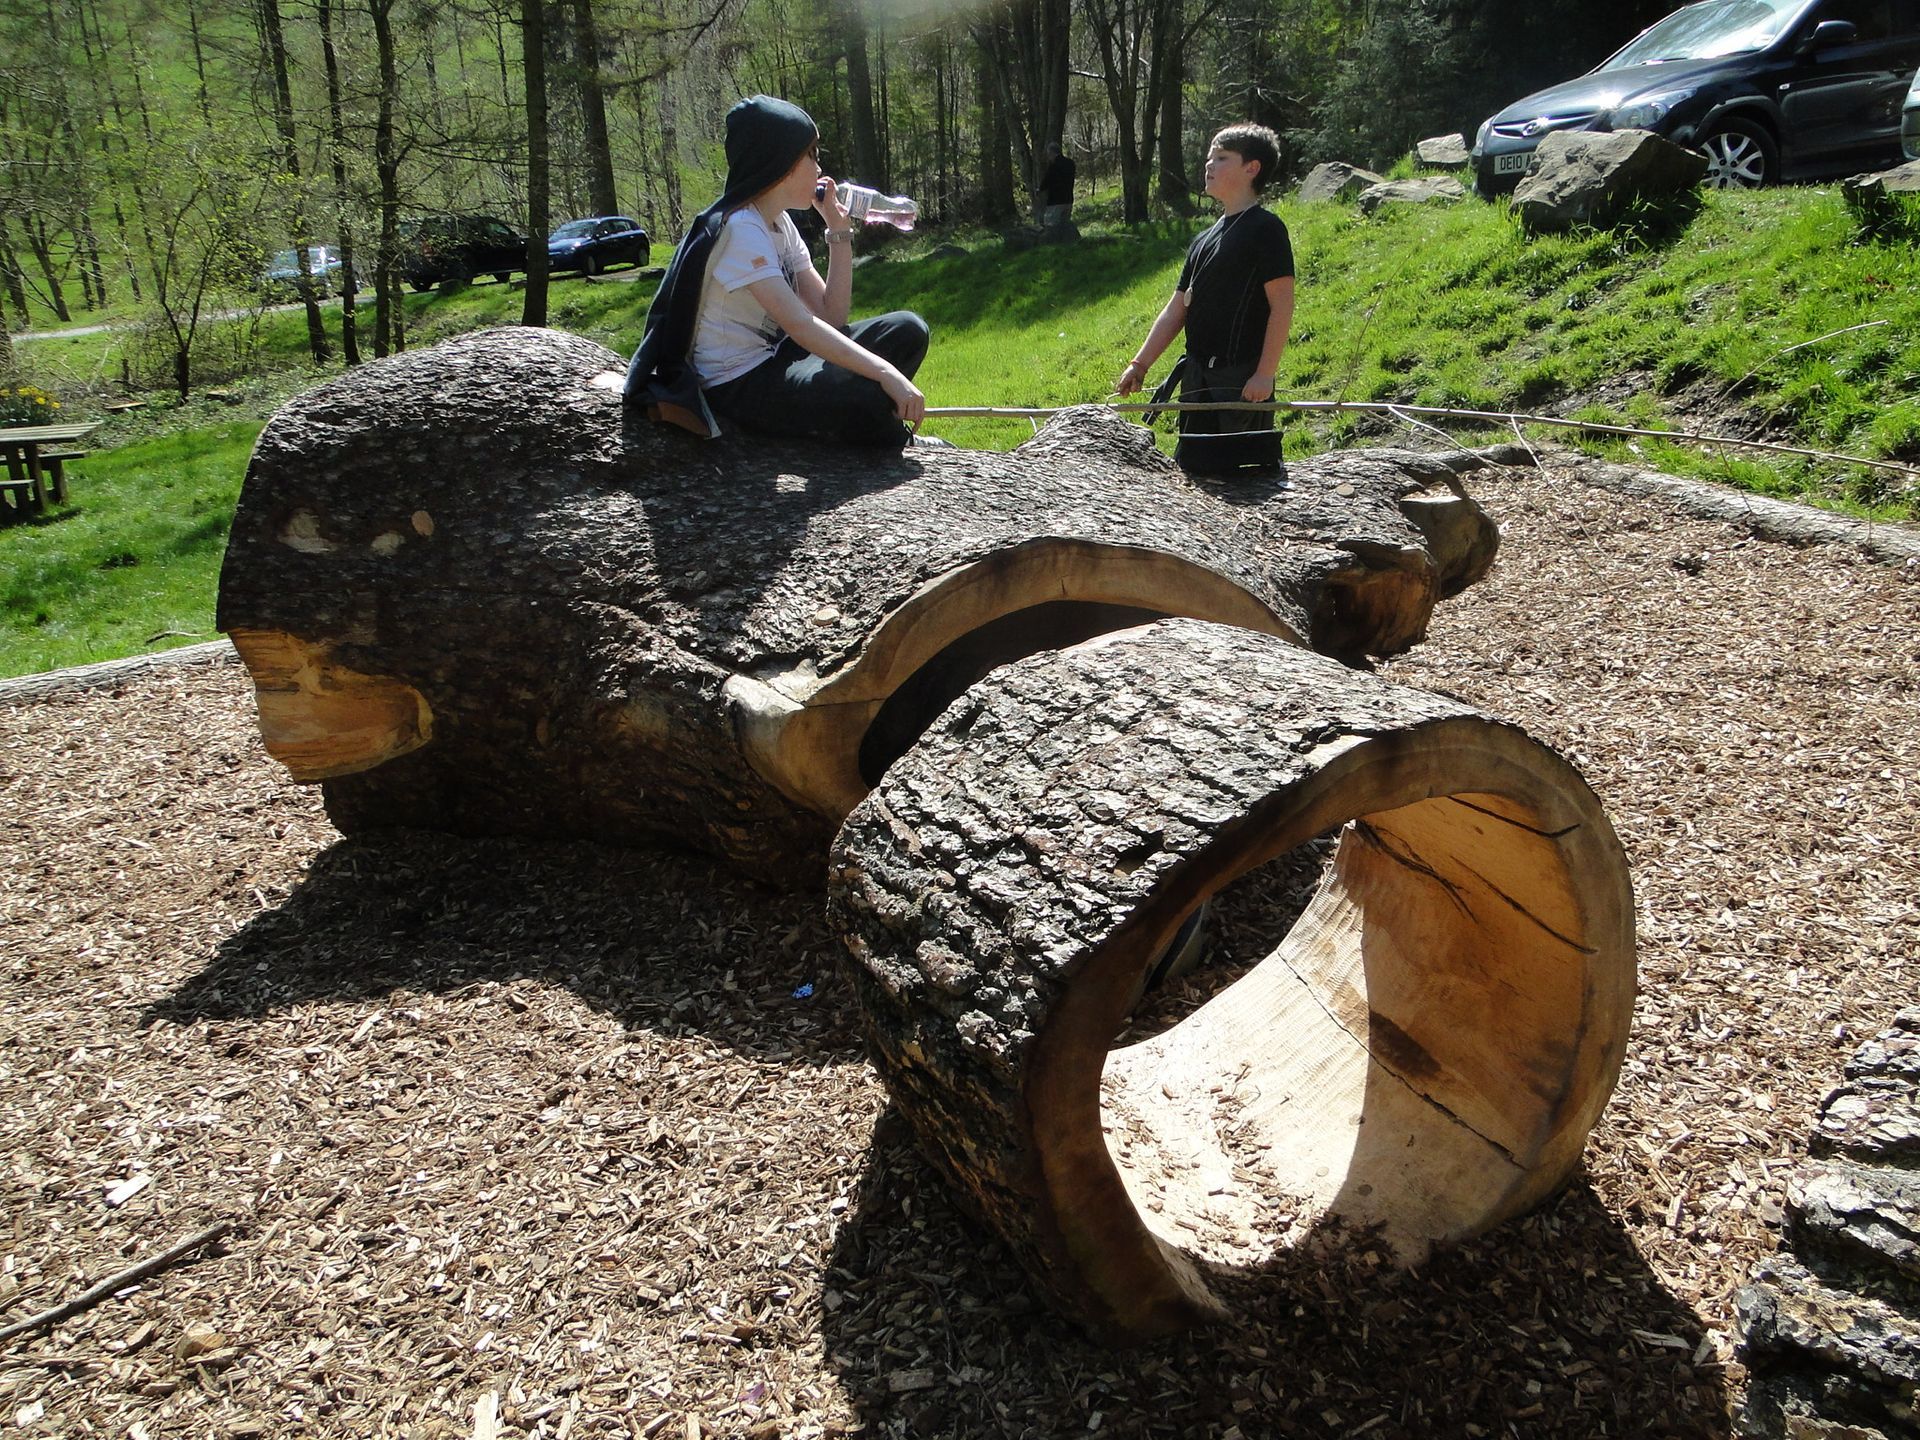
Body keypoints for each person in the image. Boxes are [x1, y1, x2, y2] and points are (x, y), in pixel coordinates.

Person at [625, 95, 928, 447]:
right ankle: (892, 438)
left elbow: (831, 316)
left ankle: (864, 420)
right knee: (864, 394)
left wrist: (839, 232)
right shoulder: (740, 229)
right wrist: (885, 372)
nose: (818, 169)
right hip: (739, 383)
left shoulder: (780, 223)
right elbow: (800, 325)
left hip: (782, 358)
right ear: (779, 163)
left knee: (908, 329)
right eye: (810, 155)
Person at [1114, 124, 1295, 476]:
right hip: (1197, 384)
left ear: (1251, 168)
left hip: (1242, 385)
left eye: (1222, 158)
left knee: (1247, 479)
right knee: (1195, 476)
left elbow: (1282, 305)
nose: (1208, 165)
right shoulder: (1203, 240)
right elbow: (1176, 309)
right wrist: (1140, 365)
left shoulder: (1266, 229)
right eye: (1209, 158)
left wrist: (1264, 374)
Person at [1036, 142, 1076, 226]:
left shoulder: (1053, 166)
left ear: (1052, 153)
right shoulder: (1071, 163)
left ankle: (1055, 239)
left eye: (1049, 154)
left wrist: (1040, 189)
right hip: (1068, 199)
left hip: (1055, 201)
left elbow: (1047, 180)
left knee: (1051, 225)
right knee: (1065, 226)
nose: (1048, 157)